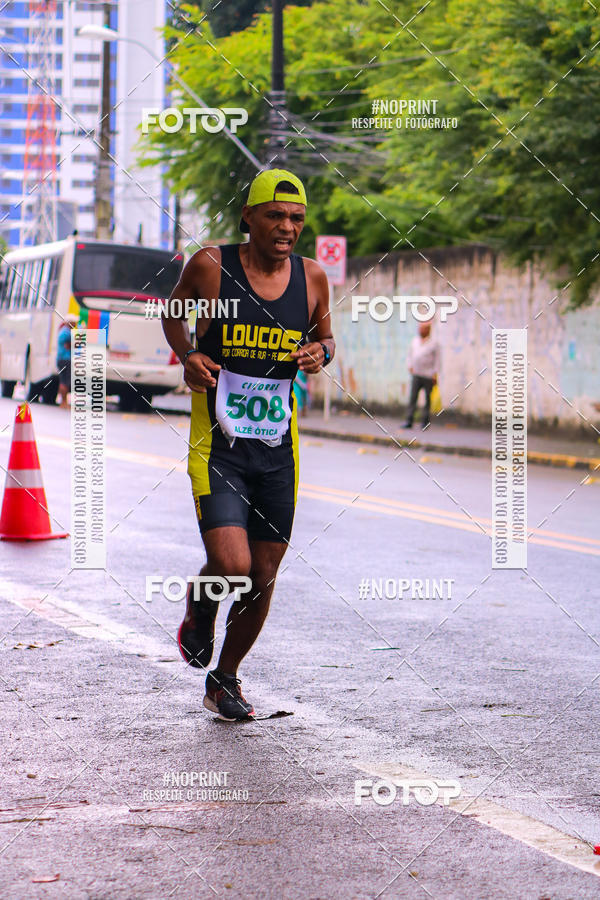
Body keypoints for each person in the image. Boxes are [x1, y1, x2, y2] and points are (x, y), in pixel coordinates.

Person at [161, 169, 335, 720]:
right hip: (219, 446)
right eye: (275, 215)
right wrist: (188, 354)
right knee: (232, 564)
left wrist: (321, 354)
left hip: (278, 452)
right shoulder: (211, 267)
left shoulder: (312, 278)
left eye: (297, 218)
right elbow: (172, 312)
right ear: (249, 217)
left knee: (262, 575)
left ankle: (225, 679)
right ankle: (201, 602)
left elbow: (327, 338)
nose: (287, 227)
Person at [402, 321, 440, 430]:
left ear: (428, 330)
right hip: (416, 374)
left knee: (427, 400)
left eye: (423, 328)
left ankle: (425, 422)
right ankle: (409, 420)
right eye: (420, 328)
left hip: (428, 375)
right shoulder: (415, 341)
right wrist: (409, 365)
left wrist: (435, 374)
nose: (420, 330)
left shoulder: (434, 343)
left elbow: (438, 360)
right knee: (413, 398)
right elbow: (410, 355)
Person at [56, 314, 78, 408]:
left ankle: (62, 402)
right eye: (74, 322)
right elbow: (74, 344)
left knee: (62, 380)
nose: (75, 324)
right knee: (65, 381)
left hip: (60, 359)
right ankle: (64, 402)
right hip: (66, 360)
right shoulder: (67, 333)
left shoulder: (62, 331)